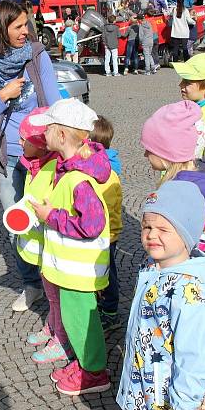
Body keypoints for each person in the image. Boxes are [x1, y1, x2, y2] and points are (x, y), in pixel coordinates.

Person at [117, 180, 205, 410]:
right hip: (140, 388)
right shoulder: (151, 266)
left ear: (185, 235)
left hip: (173, 395)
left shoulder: (189, 291)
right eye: (147, 227)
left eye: (163, 229)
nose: (151, 235)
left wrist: (182, 407)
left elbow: (200, 354)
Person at [0, 0, 61, 312]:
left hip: (43, 155)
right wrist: (3, 96)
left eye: (27, 25)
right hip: (7, 157)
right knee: (17, 223)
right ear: (1, 28)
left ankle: (56, 285)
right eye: (19, 26)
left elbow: (55, 102)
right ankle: (31, 285)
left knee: (48, 217)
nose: (26, 31)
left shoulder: (37, 55)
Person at [27, 99, 113, 396]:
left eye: (48, 129)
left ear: (62, 136)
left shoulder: (77, 178)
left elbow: (91, 225)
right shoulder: (68, 168)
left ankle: (94, 372)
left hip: (79, 271)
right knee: (76, 320)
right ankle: (84, 362)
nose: (43, 136)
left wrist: (51, 216)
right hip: (69, 269)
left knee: (81, 321)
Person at [141, 101, 205, 259]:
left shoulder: (177, 192)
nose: (145, 155)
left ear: (166, 153)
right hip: (203, 262)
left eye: (149, 150)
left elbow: (168, 241)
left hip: (181, 268)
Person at [16, 107, 68, 364]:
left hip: (55, 246)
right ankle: (52, 325)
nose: (19, 142)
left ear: (39, 143)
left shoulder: (51, 169)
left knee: (58, 295)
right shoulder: (35, 165)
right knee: (51, 295)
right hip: (45, 246)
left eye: (24, 139)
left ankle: (62, 339)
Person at [90, 117, 122, 331]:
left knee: (107, 272)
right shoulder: (103, 165)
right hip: (101, 233)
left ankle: (111, 312)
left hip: (104, 234)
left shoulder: (104, 173)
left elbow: (101, 208)